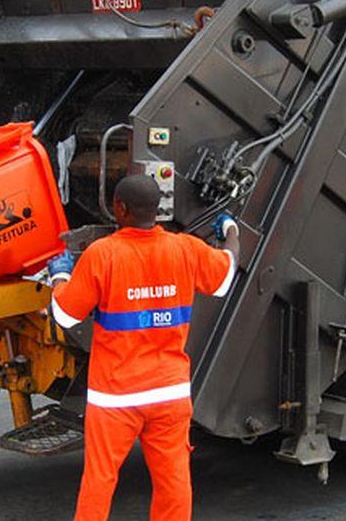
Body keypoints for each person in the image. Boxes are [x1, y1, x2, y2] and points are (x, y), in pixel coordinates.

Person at [46, 174, 240, 521]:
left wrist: (59, 275)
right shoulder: (185, 248)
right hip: (169, 392)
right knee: (174, 481)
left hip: (116, 397)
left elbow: (64, 315)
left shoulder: (102, 254)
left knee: (100, 480)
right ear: (158, 209)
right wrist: (230, 230)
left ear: (120, 208)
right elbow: (226, 275)